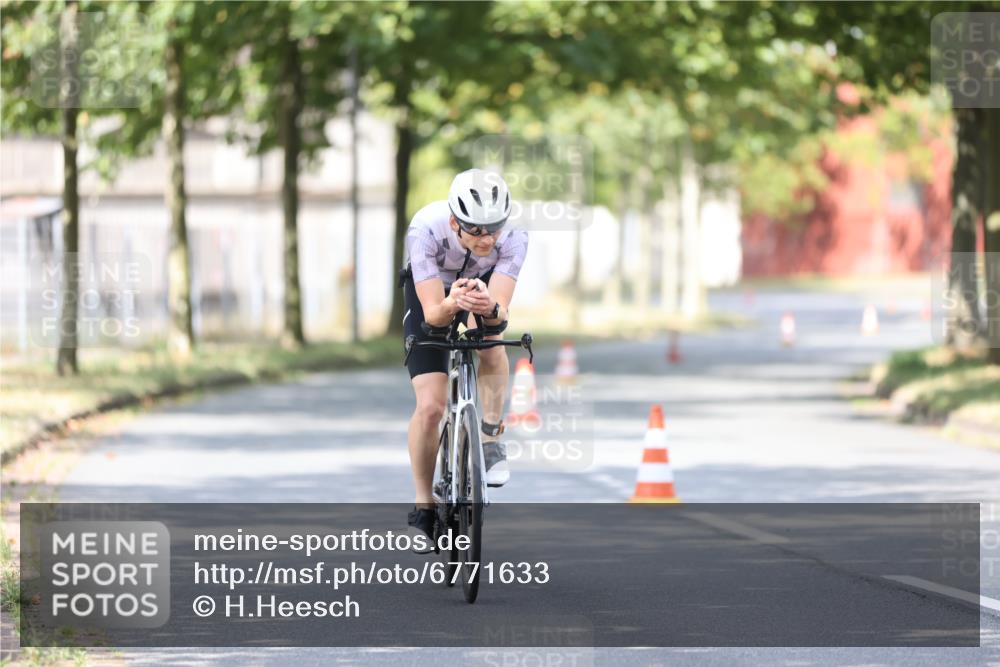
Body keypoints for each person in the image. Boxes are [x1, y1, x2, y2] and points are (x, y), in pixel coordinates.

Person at [399, 169, 528, 551]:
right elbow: (433, 315)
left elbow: (500, 315)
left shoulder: (515, 236)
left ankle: (490, 437)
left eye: (494, 229)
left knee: (492, 342)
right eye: (476, 231)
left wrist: (488, 308)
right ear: (455, 221)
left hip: (481, 289)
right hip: (433, 293)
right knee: (431, 406)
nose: (488, 239)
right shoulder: (424, 229)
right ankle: (424, 507)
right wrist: (452, 302)